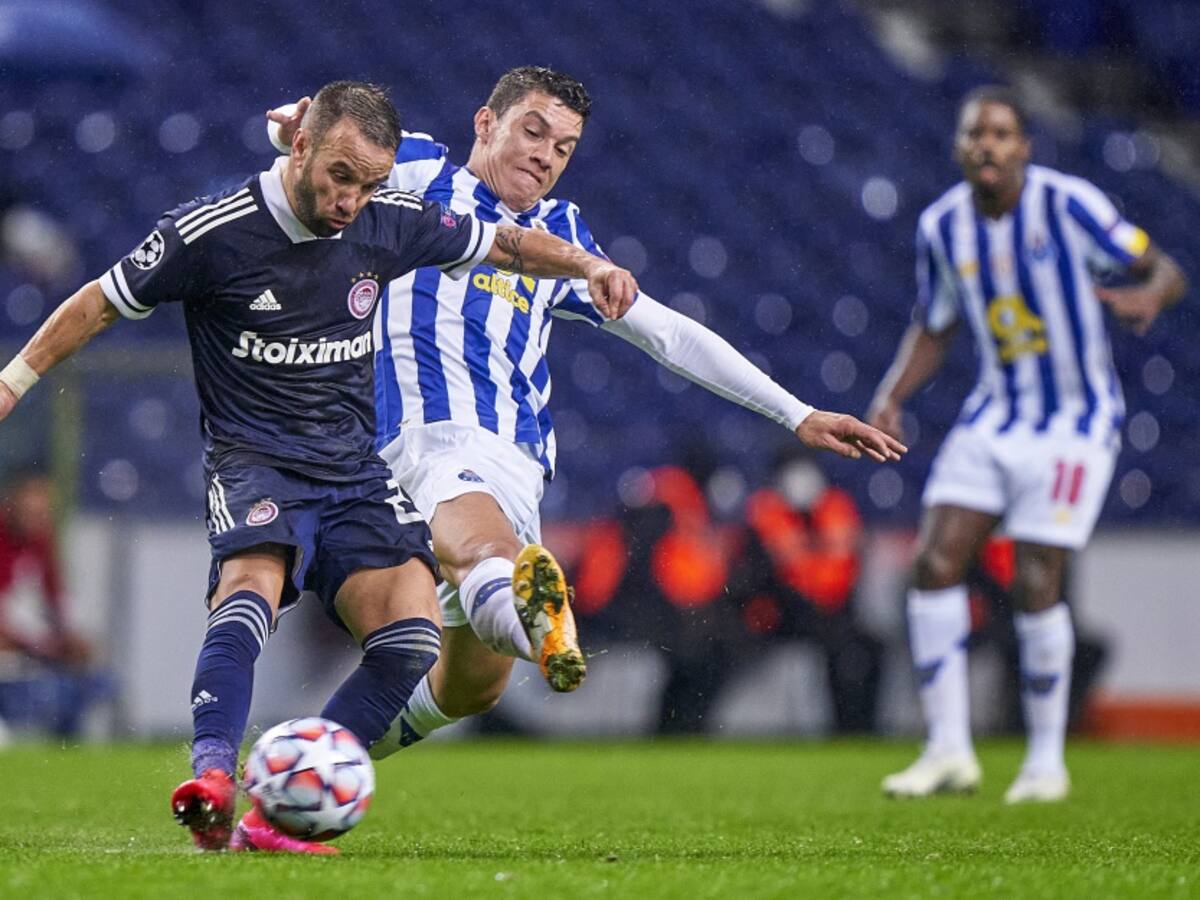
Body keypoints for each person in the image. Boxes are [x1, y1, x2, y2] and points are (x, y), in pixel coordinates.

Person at [0, 80, 637, 853]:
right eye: (340, 177)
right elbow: (100, 301)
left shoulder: (385, 220)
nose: (350, 202)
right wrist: (13, 382)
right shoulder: (213, 231)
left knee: (413, 636)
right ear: (300, 144)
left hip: (352, 469)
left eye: (369, 184)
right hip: (257, 460)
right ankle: (212, 777)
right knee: (251, 590)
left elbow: (505, 244)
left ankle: (275, 808)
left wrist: (587, 265)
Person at [268, 66, 906, 759]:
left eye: (563, 147)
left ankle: (309, 763)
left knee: (471, 686)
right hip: (424, 437)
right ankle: (537, 620)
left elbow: (667, 333)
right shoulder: (419, 170)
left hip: (517, 464)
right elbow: (326, 156)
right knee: (487, 553)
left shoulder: (562, 236)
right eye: (533, 131)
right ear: (486, 123)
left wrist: (797, 413)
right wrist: (296, 134)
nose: (545, 155)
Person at [868, 85, 1187, 803]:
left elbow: (1162, 266)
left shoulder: (1069, 204)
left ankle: (1045, 761)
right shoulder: (943, 225)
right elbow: (936, 323)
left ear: (1024, 147)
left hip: (1076, 420)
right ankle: (948, 751)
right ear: (960, 147)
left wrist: (1149, 296)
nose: (987, 144)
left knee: (1037, 579)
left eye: (1001, 133)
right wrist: (891, 396)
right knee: (933, 561)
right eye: (975, 133)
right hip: (995, 414)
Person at [734, 450, 883, 733]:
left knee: (864, 649)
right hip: (781, 615)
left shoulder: (836, 508)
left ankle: (856, 731)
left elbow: (845, 571)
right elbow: (762, 579)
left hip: (829, 611)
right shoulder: (764, 511)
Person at [0, 468, 109, 740]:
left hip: (27, 639)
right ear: (14, 502)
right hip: (14, 640)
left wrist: (68, 636)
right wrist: (36, 643)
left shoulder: (41, 540)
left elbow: (55, 596)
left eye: (43, 512)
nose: (39, 518)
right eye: (32, 511)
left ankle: (71, 738)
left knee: (86, 661)